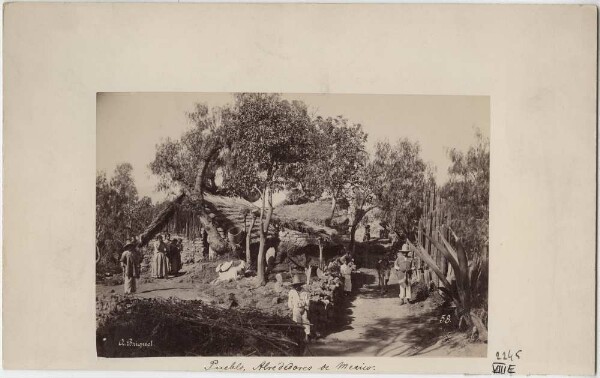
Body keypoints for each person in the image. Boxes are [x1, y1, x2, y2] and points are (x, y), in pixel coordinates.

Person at [288, 275, 311, 341]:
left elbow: (307, 300)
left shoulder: (304, 291)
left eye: (298, 285)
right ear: (294, 286)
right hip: (296, 309)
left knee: (306, 321)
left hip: (303, 309)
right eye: (295, 285)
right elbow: (290, 301)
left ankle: (306, 336)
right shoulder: (292, 292)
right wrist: (291, 308)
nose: (297, 287)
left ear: (300, 285)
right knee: (297, 322)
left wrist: (306, 305)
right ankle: (298, 337)